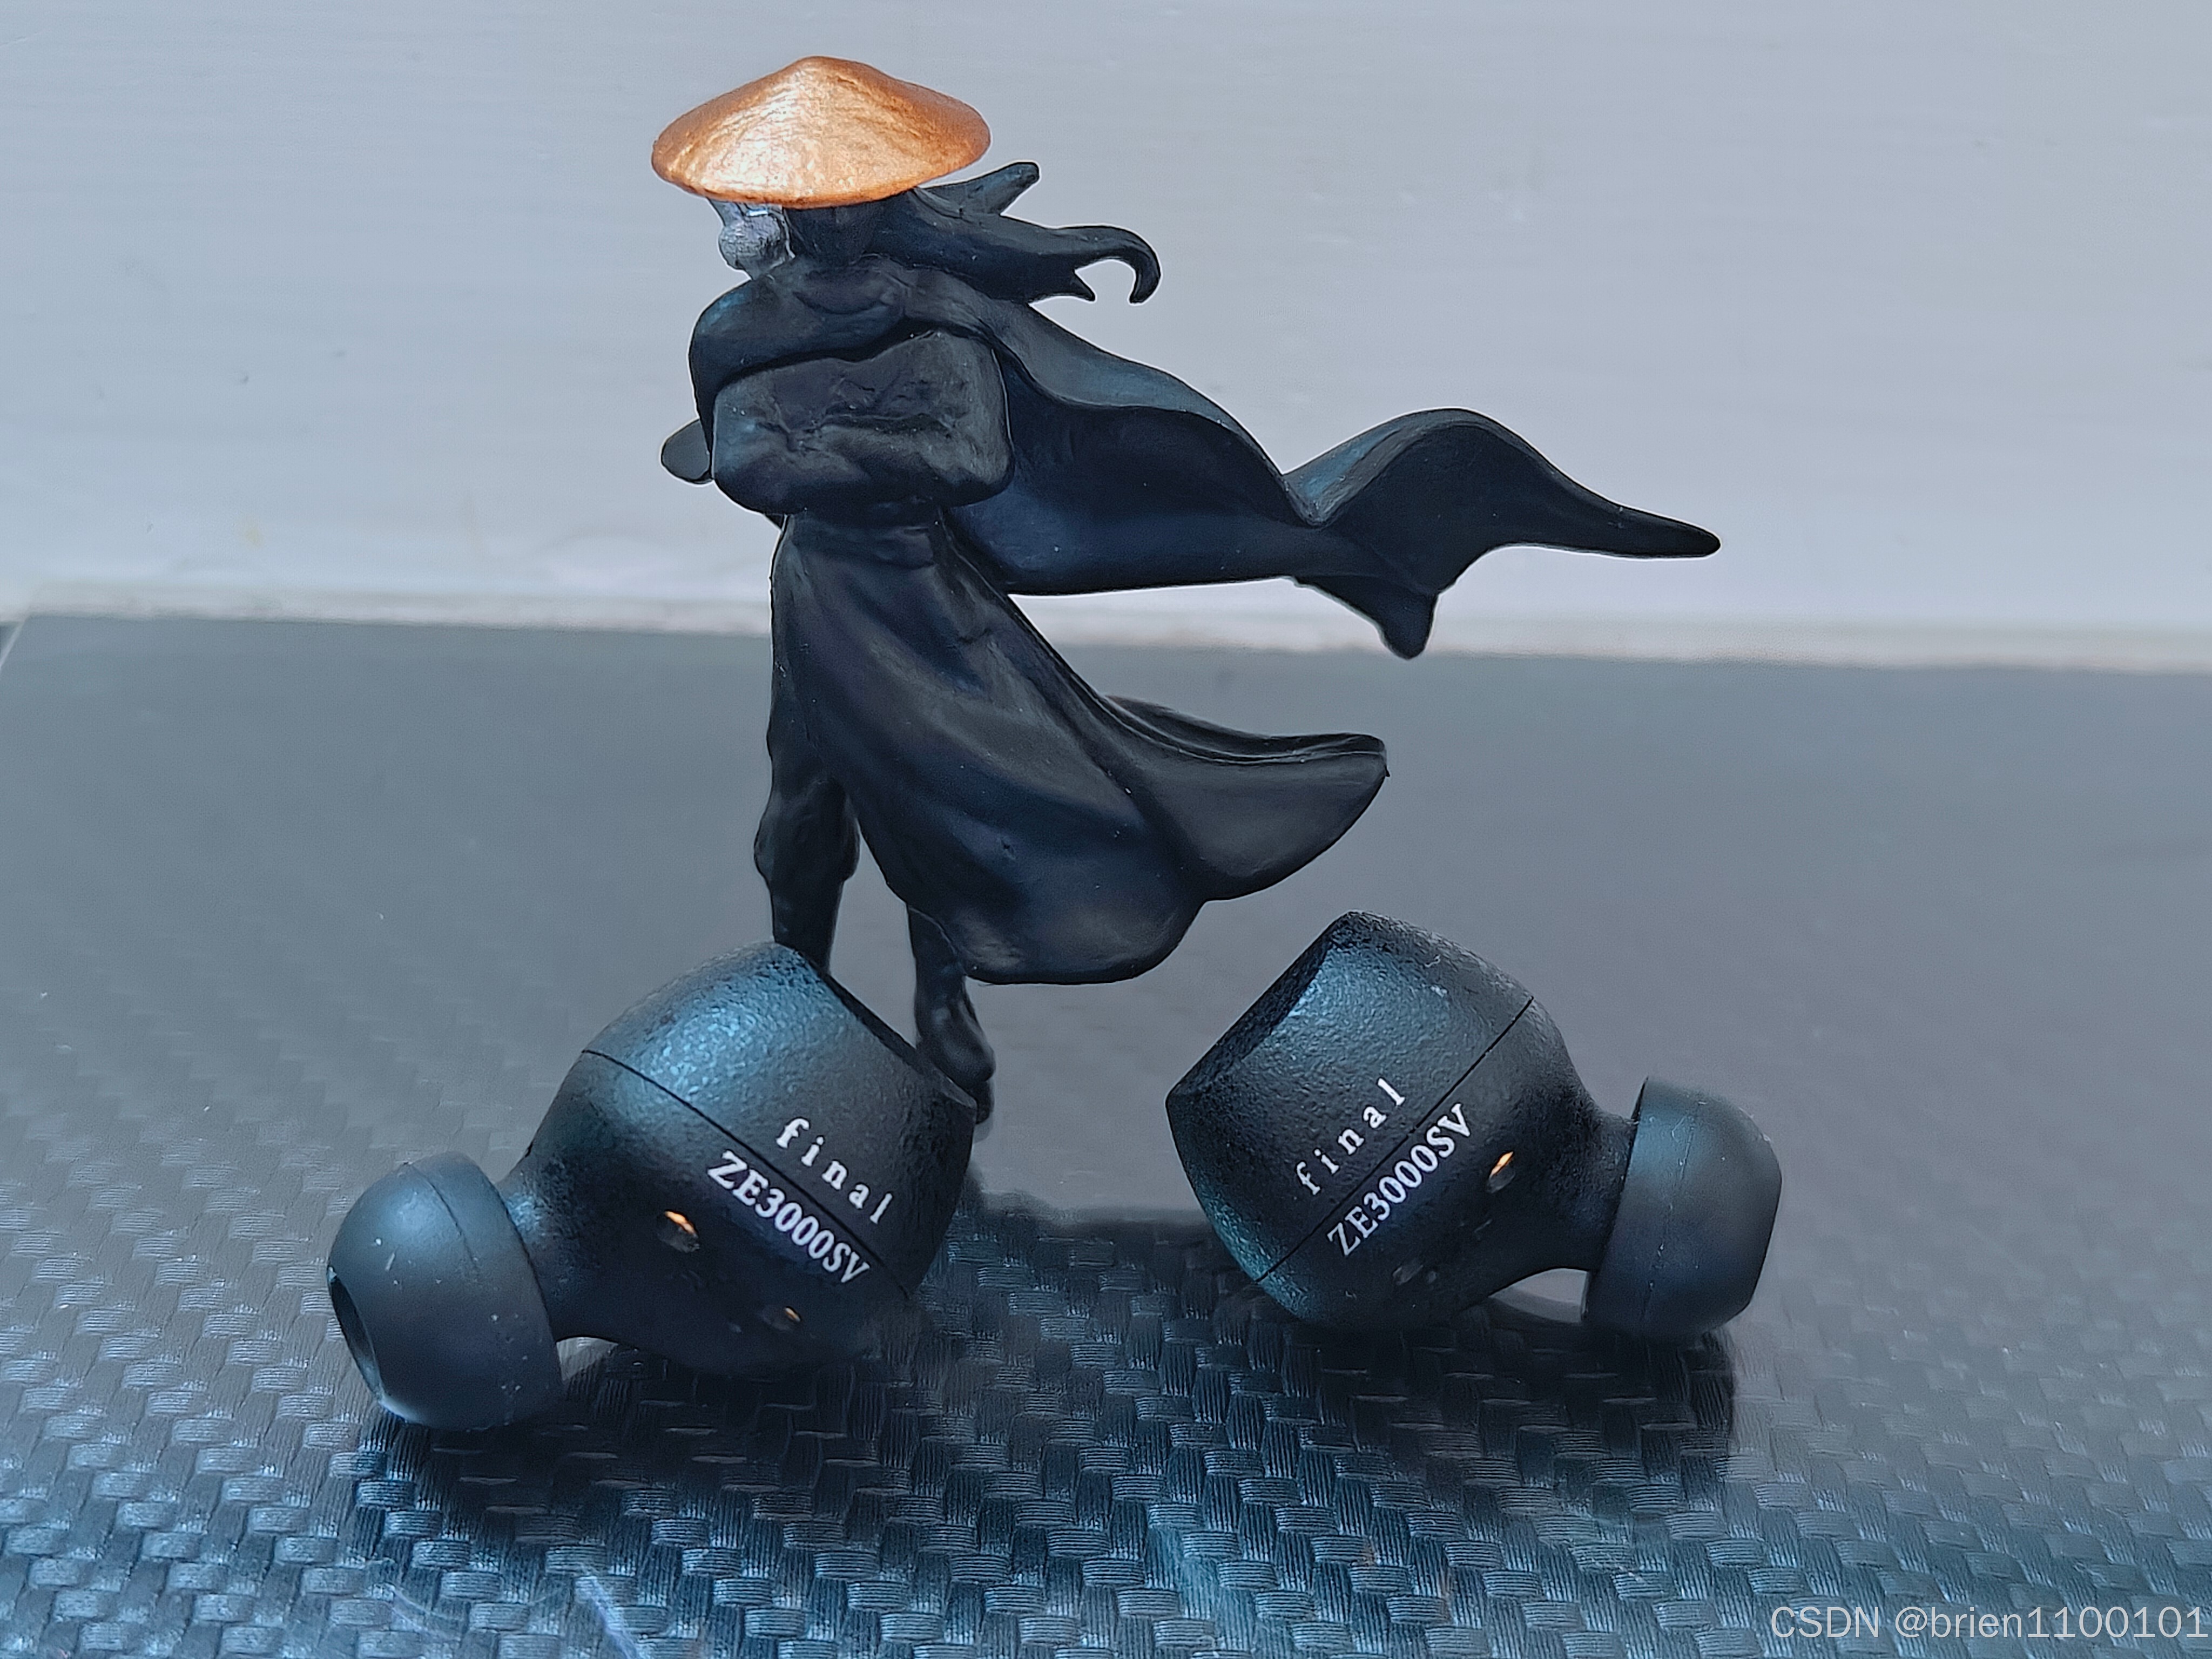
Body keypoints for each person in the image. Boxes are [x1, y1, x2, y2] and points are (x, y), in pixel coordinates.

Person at [654, 58, 1719, 1117]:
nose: (834, 223)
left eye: (855, 201)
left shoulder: (941, 322)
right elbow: (746, 464)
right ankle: (794, 1007)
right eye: (812, 205)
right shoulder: (738, 329)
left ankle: (946, 1027)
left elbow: (961, 459)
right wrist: (859, 443)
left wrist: (813, 439)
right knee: (801, 818)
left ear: (891, 204)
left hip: (927, 600)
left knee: (952, 810)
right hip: (819, 600)